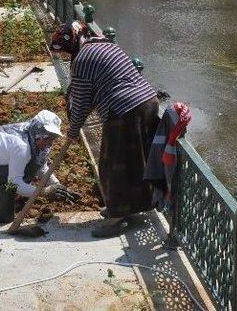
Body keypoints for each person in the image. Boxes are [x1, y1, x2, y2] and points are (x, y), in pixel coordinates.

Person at [50, 22, 159, 237]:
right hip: (147, 102)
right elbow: (93, 91)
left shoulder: (82, 60)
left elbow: (81, 103)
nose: (63, 56)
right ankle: (133, 206)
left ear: (70, 44)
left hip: (124, 109)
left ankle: (116, 218)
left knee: (113, 164)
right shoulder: (105, 44)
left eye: (63, 51)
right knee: (136, 160)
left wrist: (73, 132)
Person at [0, 110, 77, 202]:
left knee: (33, 165)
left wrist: (59, 187)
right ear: (38, 131)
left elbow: (42, 169)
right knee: (29, 168)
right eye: (47, 137)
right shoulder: (21, 146)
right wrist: (45, 192)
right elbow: (15, 183)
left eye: (53, 138)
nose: (49, 143)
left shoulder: (31, 133)